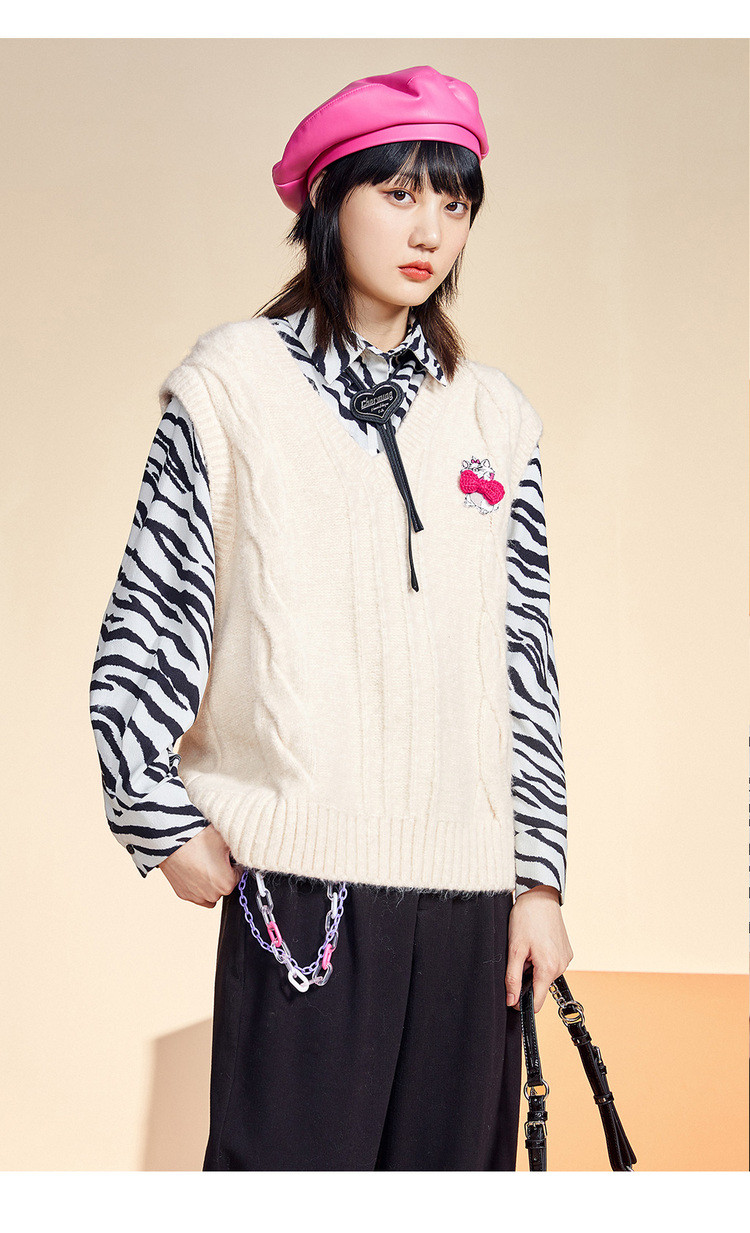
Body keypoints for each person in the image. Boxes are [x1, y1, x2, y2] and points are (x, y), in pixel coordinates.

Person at [89, 64, 573, 1171]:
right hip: (307, 896)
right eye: (398, 193)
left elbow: (525, 662)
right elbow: (150, 614)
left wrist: (539, 880)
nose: (430, 229)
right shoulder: (232, 387)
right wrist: (157, 817)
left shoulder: (497, 418)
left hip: (473, 903)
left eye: (454, 202)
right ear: (328, 199)